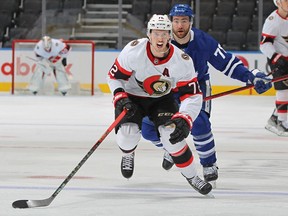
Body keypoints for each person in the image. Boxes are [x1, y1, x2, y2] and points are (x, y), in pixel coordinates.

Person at [141, 4, 272, 185]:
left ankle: (209, 164)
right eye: (176, 21)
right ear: (170, 23)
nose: (180, 26)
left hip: (196, 87)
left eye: (184, 21)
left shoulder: (203, 41)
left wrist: (251, 77)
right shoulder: (160, 41)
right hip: (168, 90)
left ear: (191, 22)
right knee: (147, 128)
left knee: (199, 122)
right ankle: (173, 148)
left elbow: (227, 63)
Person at [107, 14, 213, 195]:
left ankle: (192, 176)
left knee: (172, 135)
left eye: (164, 33)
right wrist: (120, 97)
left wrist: (185, 117)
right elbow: (114, 77)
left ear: (170, 35)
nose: (160, 38)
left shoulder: (182, 60)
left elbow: (193, 94)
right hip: (132, 97)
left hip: (162, 100)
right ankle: (128, 154)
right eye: (156, 33)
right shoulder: (133, 51)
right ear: (149, 34)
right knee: (127, 134)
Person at [260, 0, 288, 137]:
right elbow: (264, 45)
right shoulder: (273, 20)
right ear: (278, 2)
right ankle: (283, 123)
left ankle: (274, 119)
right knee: (283, 90)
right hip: (279, 61)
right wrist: (277, 58)